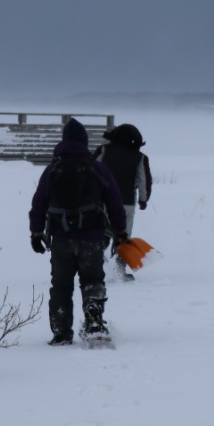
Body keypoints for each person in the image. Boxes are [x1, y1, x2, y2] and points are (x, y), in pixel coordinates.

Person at [29, 118, 127, 345]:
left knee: (61, 286)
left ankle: (61, 332)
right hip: (92, 238)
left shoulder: (52, 169)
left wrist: (35, 233)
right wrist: (120, 231)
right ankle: (94, 322)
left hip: (61, 240)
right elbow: (115, 202)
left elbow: (38, 203)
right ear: (84, 143)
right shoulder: (97, 168)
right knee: (92, 280)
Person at [92, 123, 153, 281]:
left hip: (103, 200)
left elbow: (90, 171)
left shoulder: (103, 150)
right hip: (126, 203)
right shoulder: (140, 157)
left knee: (102, 231)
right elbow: (143, 180)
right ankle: (119, 270)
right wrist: (143, 200)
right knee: (123, 236)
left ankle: (95, 265)